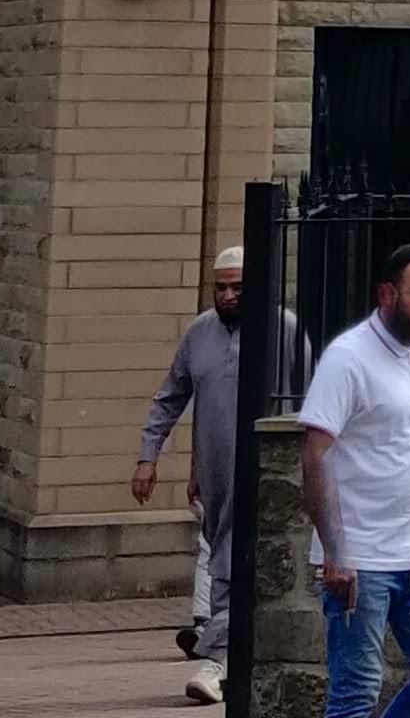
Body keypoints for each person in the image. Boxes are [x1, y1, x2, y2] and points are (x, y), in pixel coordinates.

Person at [137, 244, 315, 704]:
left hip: (273, 473)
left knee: (240, 566)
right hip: (217, 473)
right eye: (221, 287)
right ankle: (230, 660)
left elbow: (311, 400)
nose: (229, 295)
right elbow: (170, 397)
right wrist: (148, 456)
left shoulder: (286, 329)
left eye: (238, 286)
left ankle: (220, 661)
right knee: (223, 558)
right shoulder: (200, 333)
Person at [300, 237, 410, 718]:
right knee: (354, 698)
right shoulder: (347, 359)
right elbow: (314, 456)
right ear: (387, 294)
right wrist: (335, 552)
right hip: (360, 561)